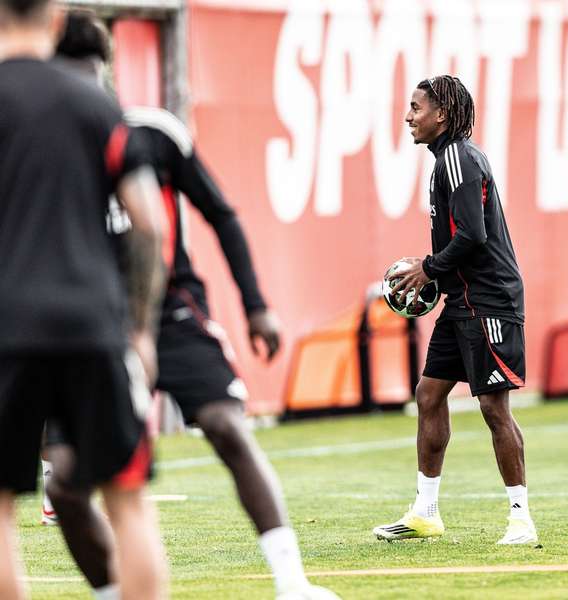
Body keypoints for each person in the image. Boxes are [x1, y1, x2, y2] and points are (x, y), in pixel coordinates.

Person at [45, 10, 337, 600]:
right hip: (91, 322)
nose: (88, 83)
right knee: (66, 486)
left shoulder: (153, 132)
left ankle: (292, 582)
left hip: (172, 313)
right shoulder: (42, 136)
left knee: (228, 427)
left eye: (94, 71)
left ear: (108, 71)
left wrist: (256, 304)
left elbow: (220, 213)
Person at [0, 1, 169, 598]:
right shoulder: (95, 104)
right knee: (127, 502)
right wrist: (143, 331)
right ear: (52, 20)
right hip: (91, 327)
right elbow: (150, 223)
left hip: (8, 332)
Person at [373, 75, 535, 545]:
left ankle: (521, 519)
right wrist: (431, 278)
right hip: (461, 297)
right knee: (428, 394)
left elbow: (473, 235)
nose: (408, 116)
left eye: (416, 107)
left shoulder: (459, 157)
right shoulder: (445, 160)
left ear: (441, 113)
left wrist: (427, 268)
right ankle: (425, 512)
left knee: (492, 406)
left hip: (490, 299)